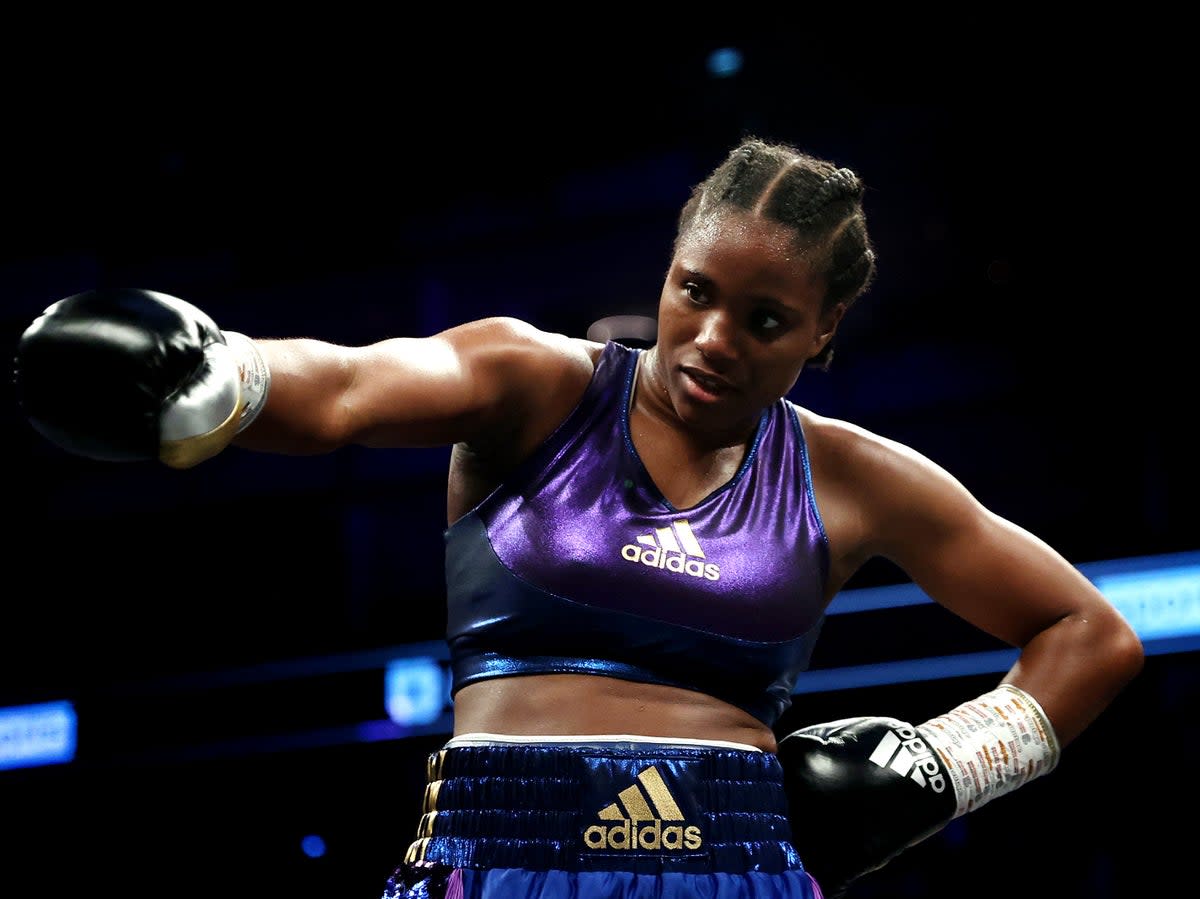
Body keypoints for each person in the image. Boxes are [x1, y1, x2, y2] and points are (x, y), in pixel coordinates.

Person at [12, 136, 1144, 899]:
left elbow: (1090, 632)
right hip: (498, 850)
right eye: (695, 292)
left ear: (822, 335)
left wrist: (943, 766)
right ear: (667, 272)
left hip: (739, 859)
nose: (712, 340)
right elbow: (349, 386)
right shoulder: (533, 382)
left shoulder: (853, 475)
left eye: (764, 318)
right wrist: (224, 375)